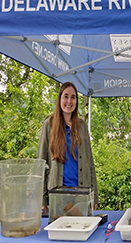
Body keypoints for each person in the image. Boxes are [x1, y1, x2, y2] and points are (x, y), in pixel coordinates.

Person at [38, 81, 98, 212]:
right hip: (58, 195)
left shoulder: (82, 127)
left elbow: (90, 163)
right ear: (59, 99)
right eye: (65, 96)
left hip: (82, 194)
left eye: (73, 97)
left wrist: (95, 195)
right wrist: (43, 199)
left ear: (76, 101)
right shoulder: (48, 125)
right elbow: (41, 164)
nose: (69, 101)